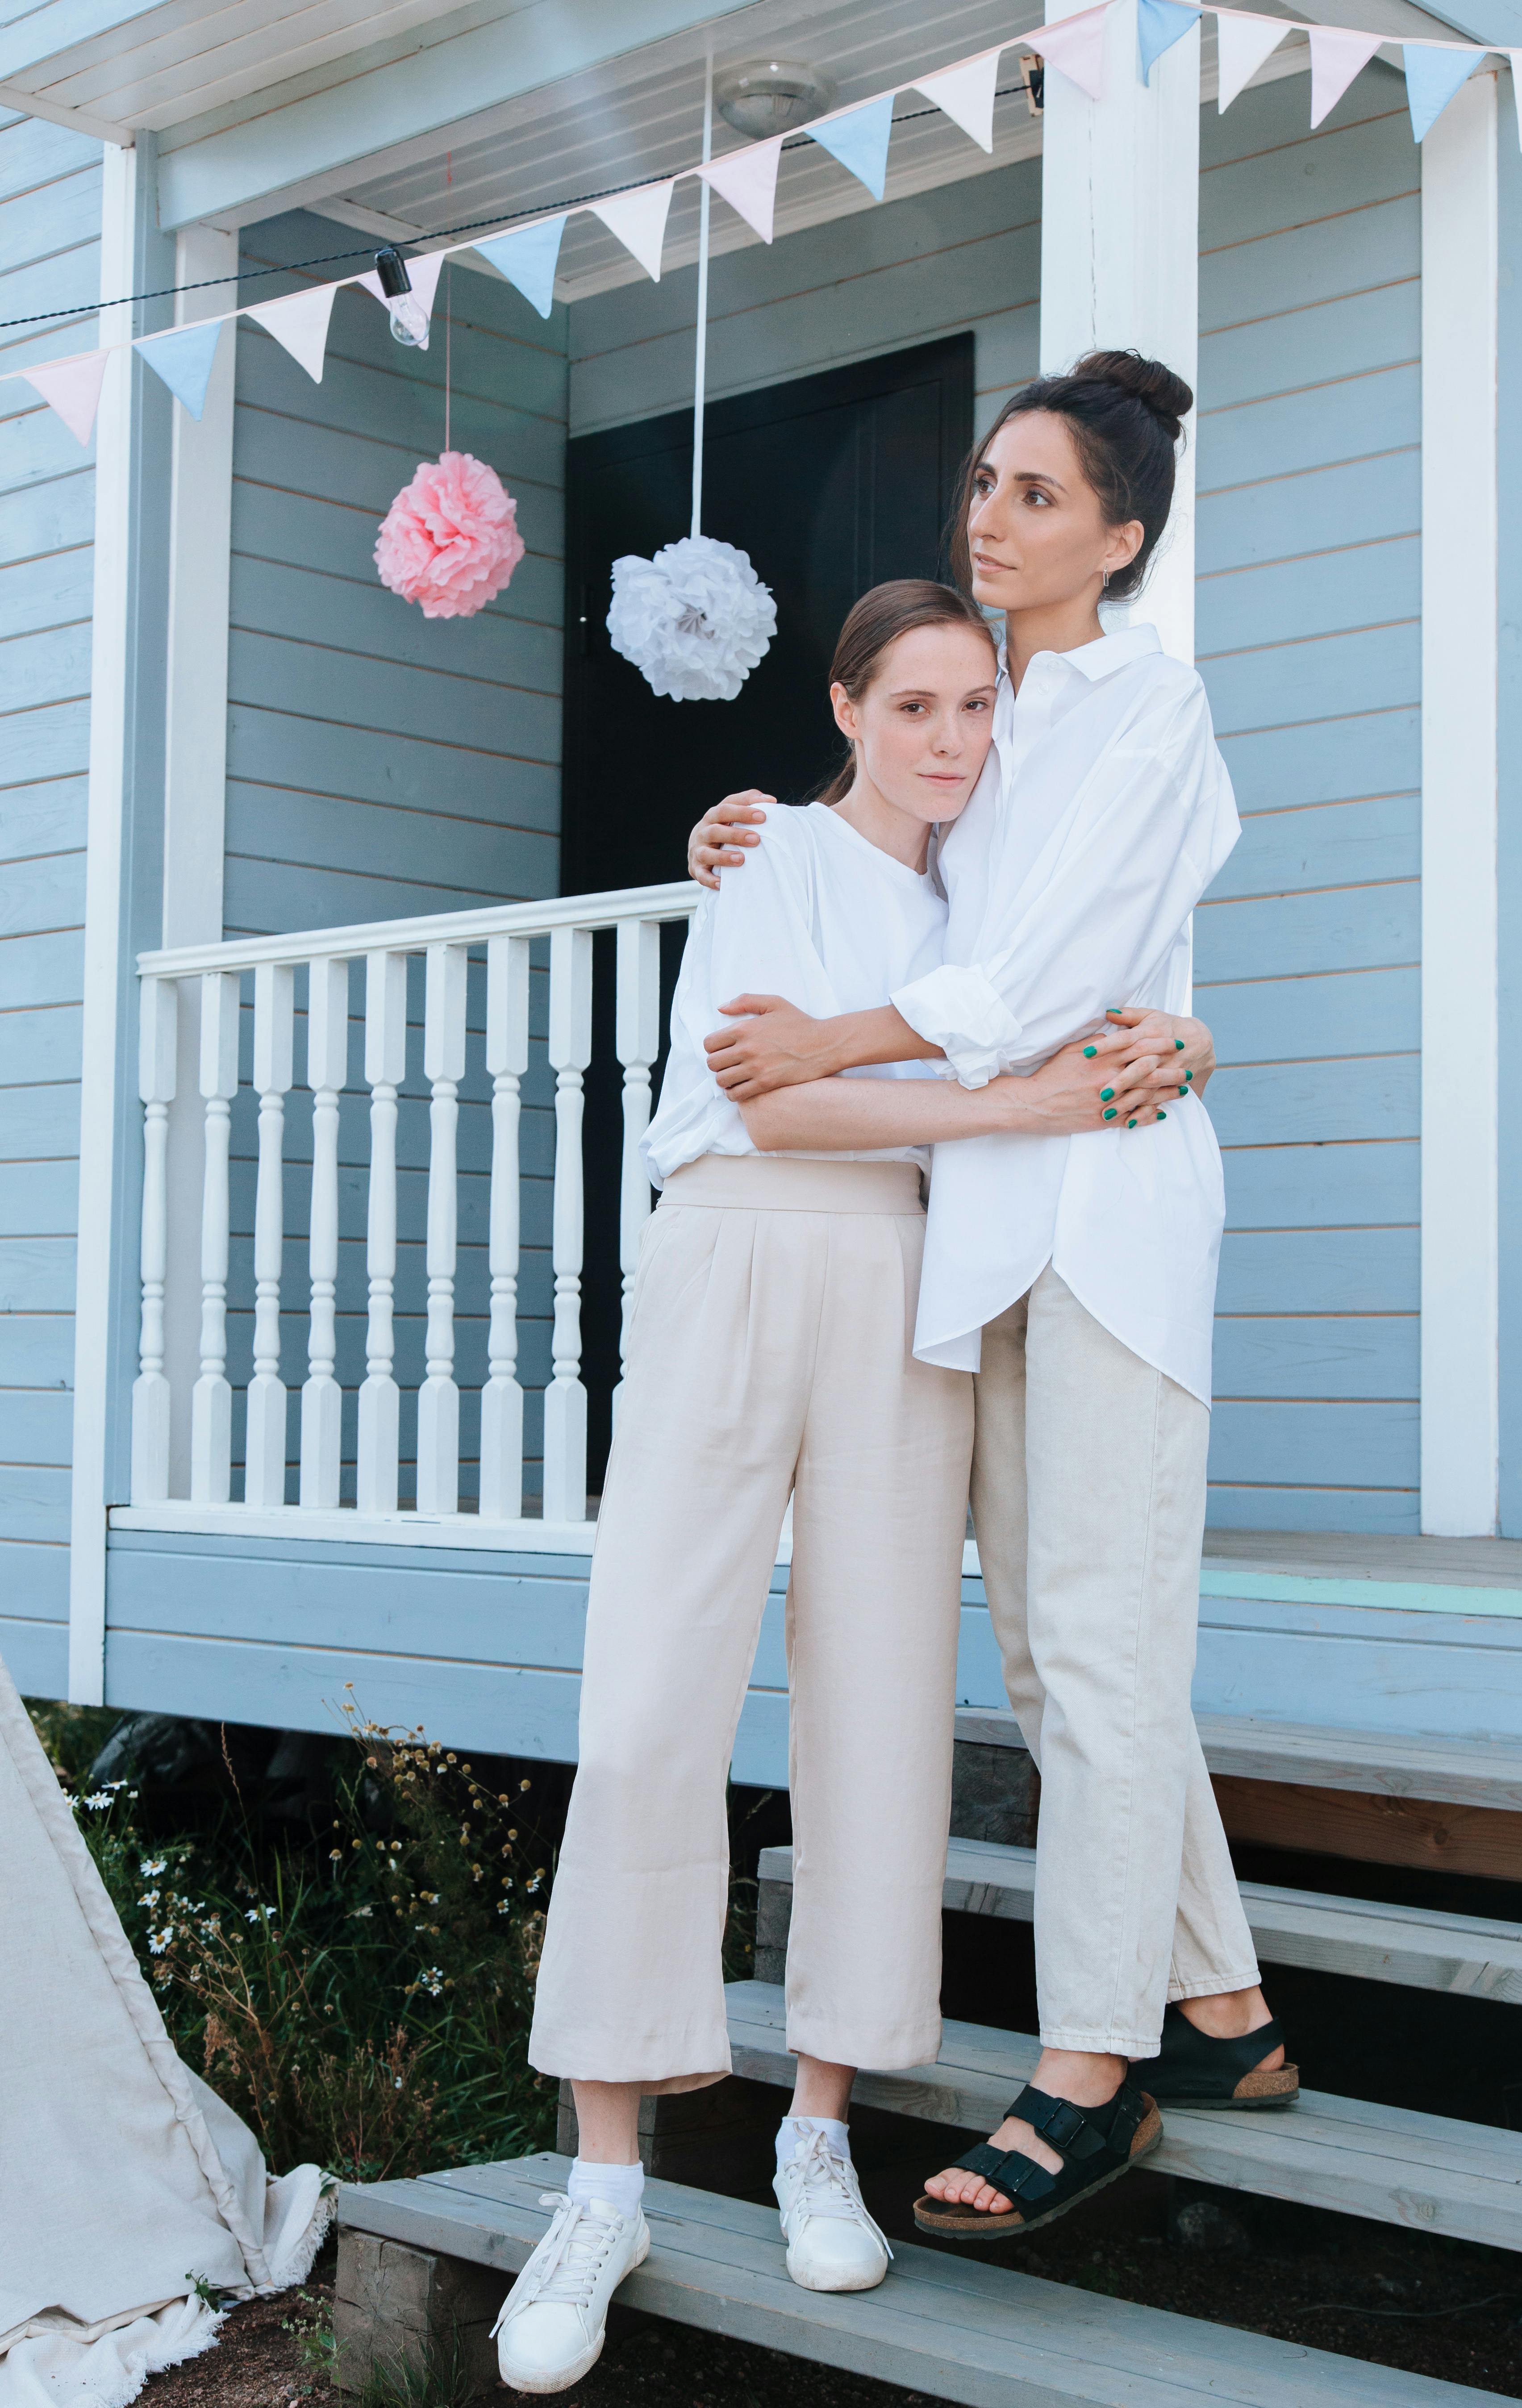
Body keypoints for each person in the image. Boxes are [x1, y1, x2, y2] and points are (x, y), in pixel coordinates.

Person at [494, 580, 1179, 2397]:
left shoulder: (1000, 898)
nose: (951, 739)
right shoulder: (769, 852)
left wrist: (1161, 1054)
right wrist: (1014, 1112)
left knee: (878, 1709)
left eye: (976, 707)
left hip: (907, 1285)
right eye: (918, 705)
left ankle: (819, 2123)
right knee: (649, 1708)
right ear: (847, 707)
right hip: (733, 1256)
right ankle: (603, 2175)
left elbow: (1118, 1016)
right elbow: (771, 1101)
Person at [687, 350, 1297, 2248]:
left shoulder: (1147, 706)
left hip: (1106, 1212)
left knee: (1098, 1654)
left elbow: (1039, 971)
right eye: (984, 484)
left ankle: (1090, 2065)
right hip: (988, 1223)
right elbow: (892, 844)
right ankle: (1223, 2010)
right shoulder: (983, 712)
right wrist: (751, 831)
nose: (989, 515)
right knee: (1055, 1653)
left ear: (1116, 535)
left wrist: (834, 1036)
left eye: (1036, 495)